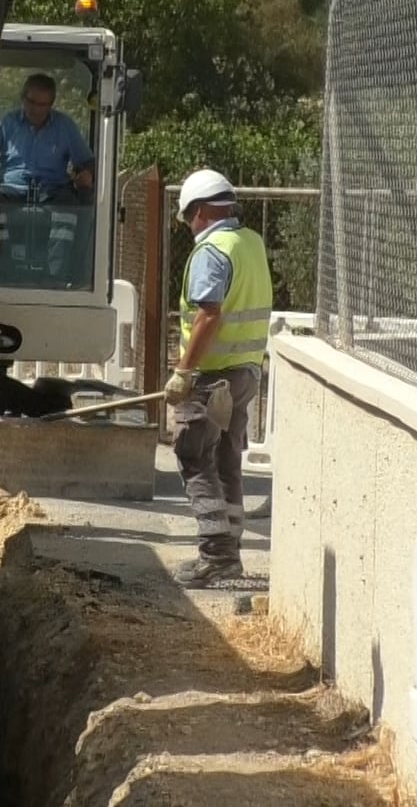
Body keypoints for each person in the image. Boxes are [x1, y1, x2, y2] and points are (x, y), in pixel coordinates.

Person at [164, 168, 274, 588]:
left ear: (205, 211)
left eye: (191, 216)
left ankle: (217, 557)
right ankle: (230, 553)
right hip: (245, 373)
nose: (190, 225)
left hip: (211, 377)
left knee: (194, 456)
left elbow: (209, 314)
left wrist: (183, 373)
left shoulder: (213, 251)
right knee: (227, 458)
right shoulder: (251, 243)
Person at [0, 73, 95, 202]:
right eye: (31, 102)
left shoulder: (65, 127)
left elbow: (87, 161)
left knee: (72, 203)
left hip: (54, 194)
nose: (36, 109)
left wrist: (86, 174)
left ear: (51, 104)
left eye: (42, 105)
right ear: (23, 98)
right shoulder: (6, 123)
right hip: (11, 192)